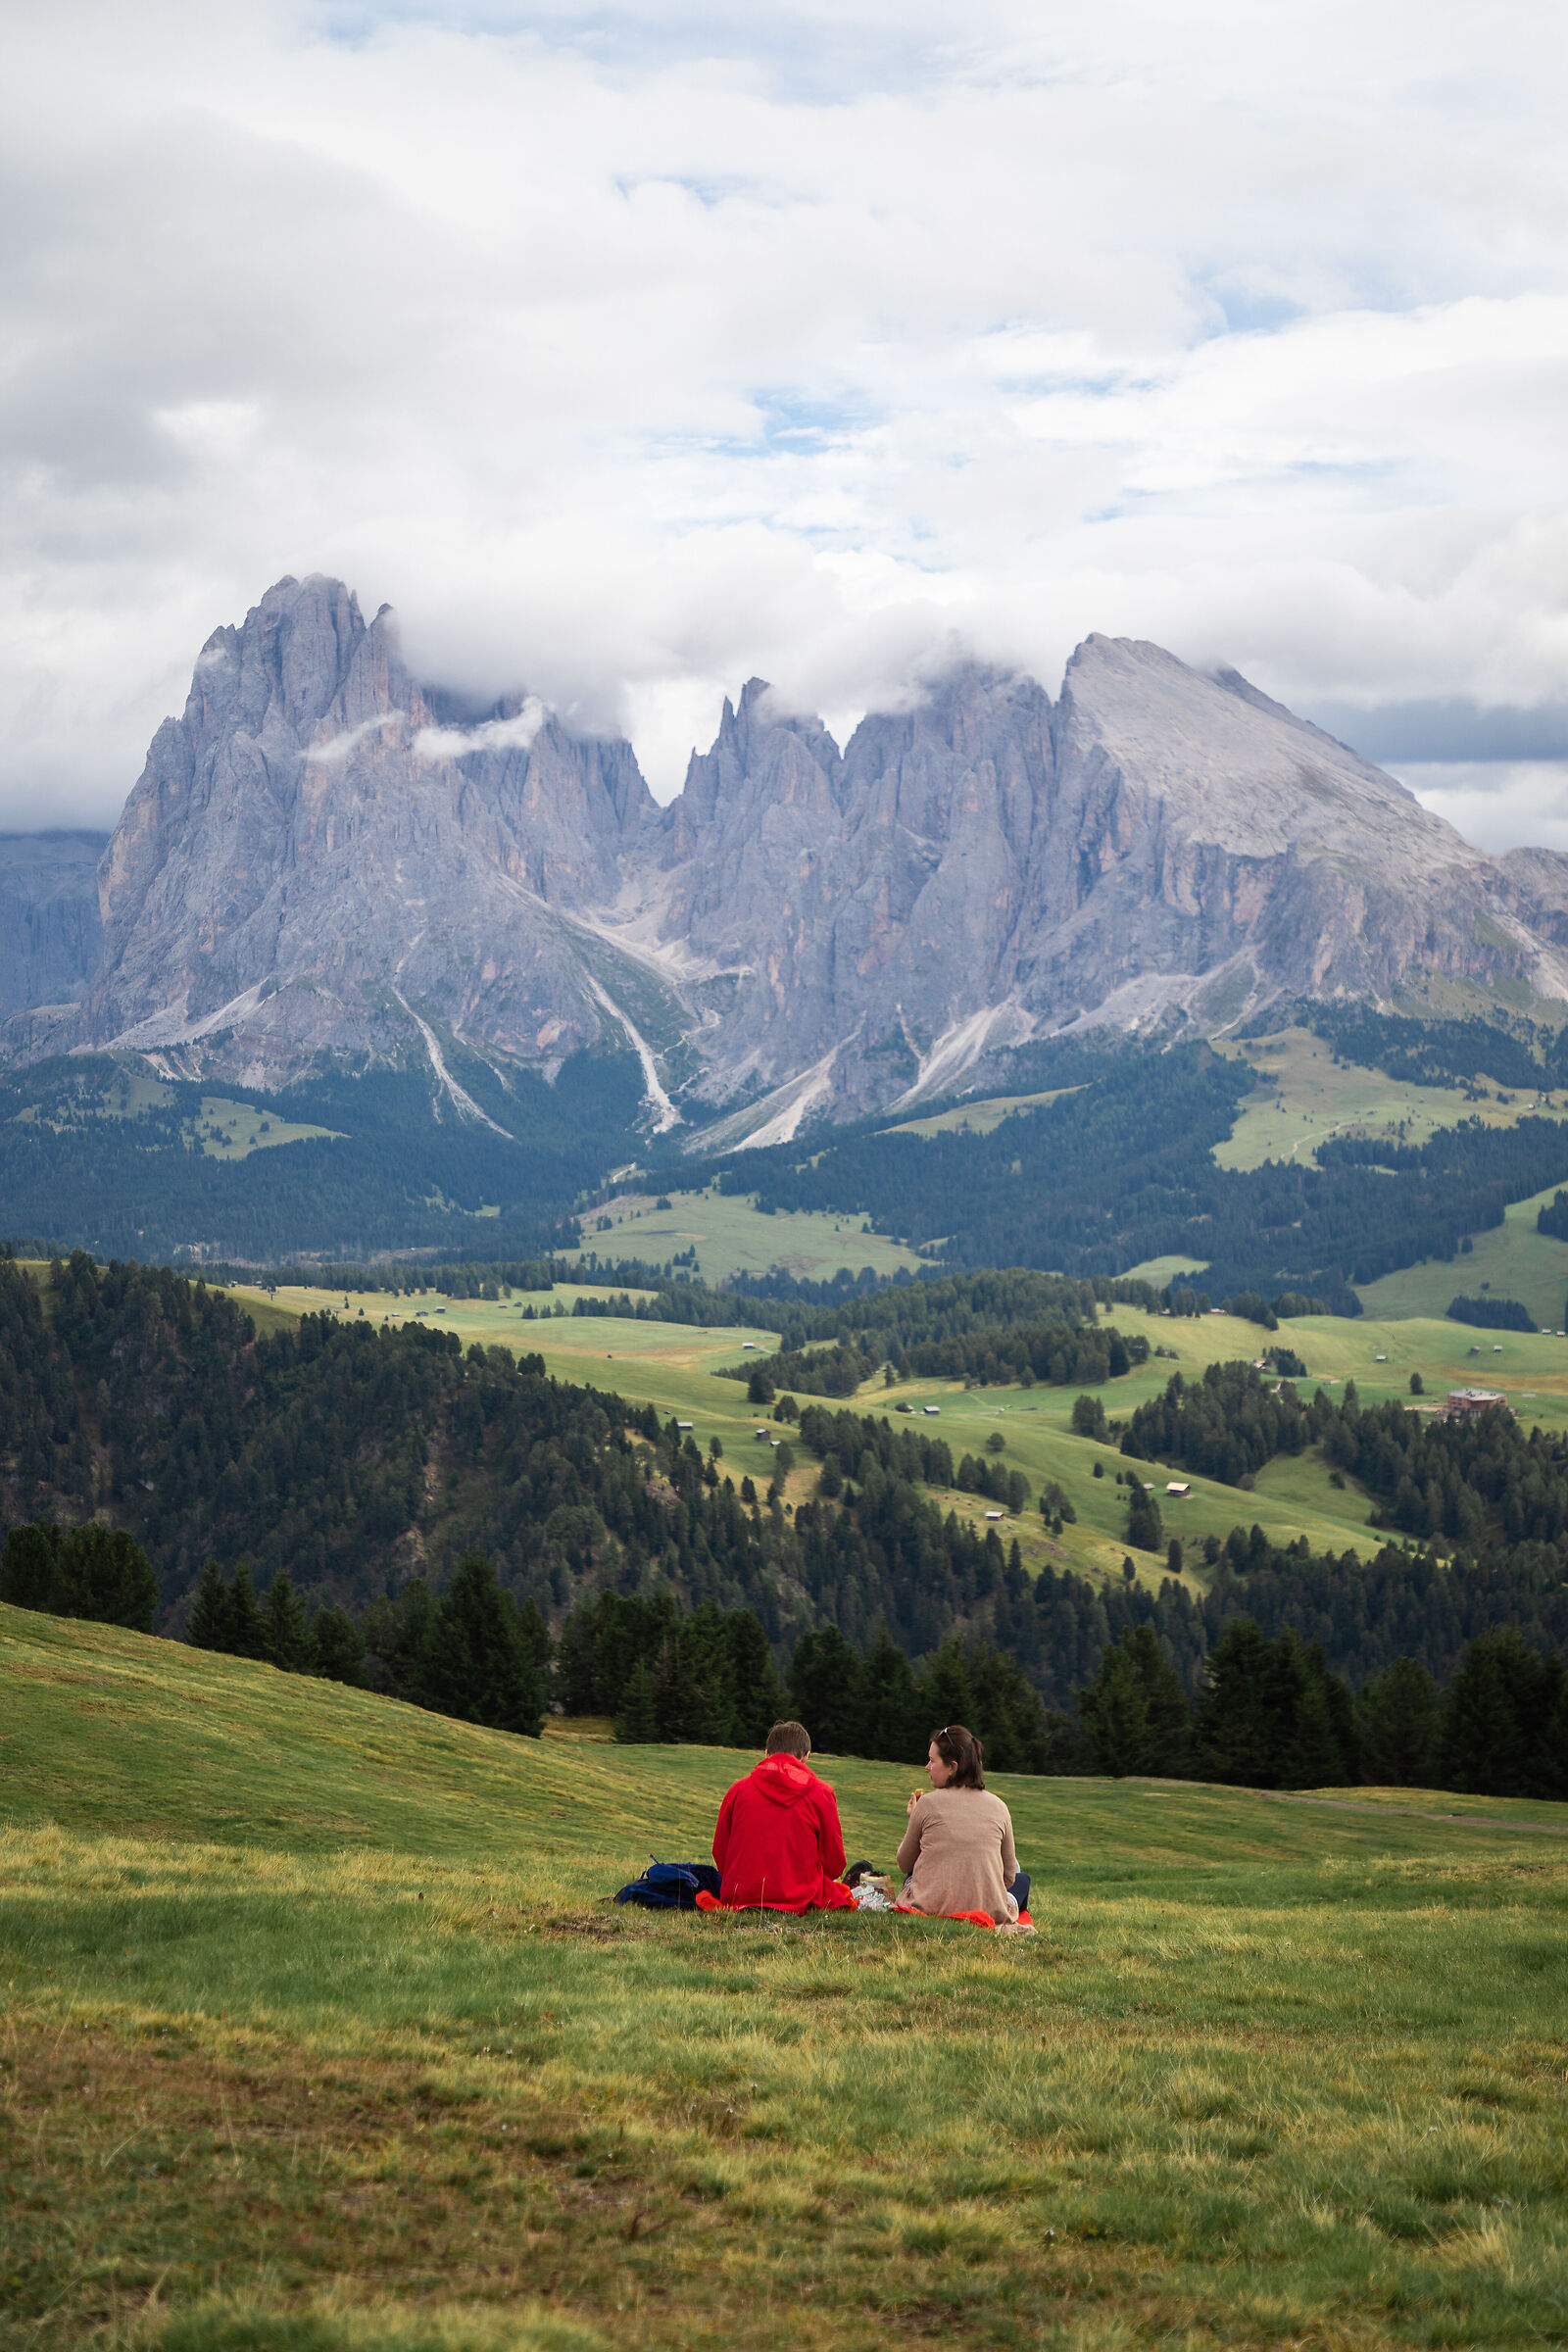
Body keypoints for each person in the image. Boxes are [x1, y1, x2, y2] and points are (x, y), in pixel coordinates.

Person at [709, 1720, 857, 1912]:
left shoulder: (737, 1790)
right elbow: (834, 1865)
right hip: (800, 1897)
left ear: (766, 1753)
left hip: (741, 1896)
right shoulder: (822, 1793)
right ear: (805, 1756)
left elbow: (720, 1852)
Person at [896, 1724, 1031, 1926]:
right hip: (984, 1908)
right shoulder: (1000, 1807)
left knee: (913, 1872)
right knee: (1022, 1880)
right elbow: (1009, 1877)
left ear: (952, 1767)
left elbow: (905, 1864)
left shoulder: (927, 1804)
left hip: (931, 1905)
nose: (927, 1767)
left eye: (932, 1761)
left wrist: (915, 1818)